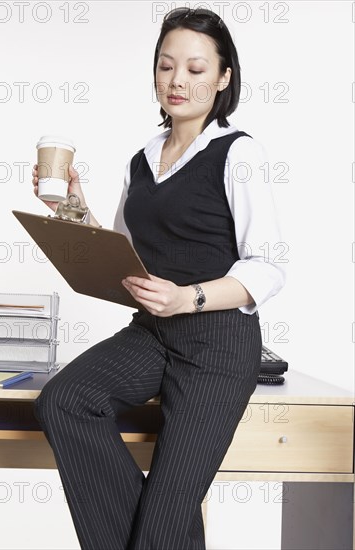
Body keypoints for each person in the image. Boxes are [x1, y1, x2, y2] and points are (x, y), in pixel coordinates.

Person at [32, 7, 285, 550]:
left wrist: (186, 298)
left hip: (216, 347)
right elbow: (126, 255)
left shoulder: (238, 152)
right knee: (64, 401)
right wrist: (73, 208)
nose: (178, 81)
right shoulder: (142, 158)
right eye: (167, 67)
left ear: (223, 78)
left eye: (196, 70)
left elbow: (267, 267)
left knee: (164, 525)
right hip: (151, 334)